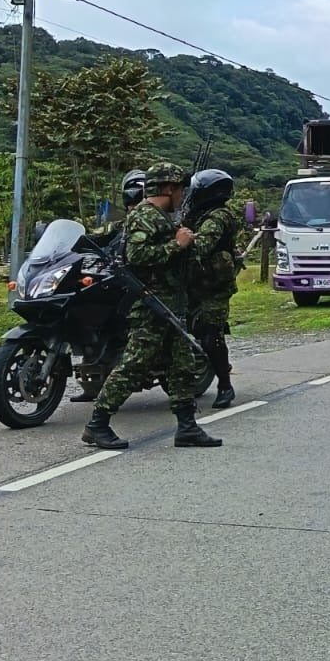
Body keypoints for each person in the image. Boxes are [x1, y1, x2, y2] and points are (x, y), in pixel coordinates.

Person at [81, 161, 221, 451]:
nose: (183, 195)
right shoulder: (145, 216)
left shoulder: (162, 216)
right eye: (181, 189)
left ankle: (187, 427)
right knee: (133, 365)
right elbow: (139, 255)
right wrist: (178, 245)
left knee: (182, 366)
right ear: (169, 188)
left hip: (171, 302)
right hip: (150, 304)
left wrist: (186, 244)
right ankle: (97, 424)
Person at [71, 169, 148, 403]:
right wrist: (75, 244)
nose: (134, 202)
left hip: (139, 285)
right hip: (113, 278)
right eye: (131, 198)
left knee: (122, 323)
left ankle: (113, 383)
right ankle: (93, 379)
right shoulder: (121, 226)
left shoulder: (159, 221)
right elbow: (101, 241)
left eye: (139, 196)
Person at [183, 167, 242, 411]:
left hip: (214, 286)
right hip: (192, 283)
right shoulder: (196, 213)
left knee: (210, 335)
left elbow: (202, 244)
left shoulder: (219, 216)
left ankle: (225, 385)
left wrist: (180, 241)